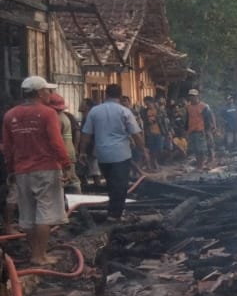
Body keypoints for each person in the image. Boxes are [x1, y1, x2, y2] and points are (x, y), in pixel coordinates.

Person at [3, 76, 71, 264]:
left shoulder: (10, 115)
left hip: (22, 170)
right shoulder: (48, 113)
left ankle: (35, 253)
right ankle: (40, 256)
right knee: (45, 212)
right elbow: (56, 143)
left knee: (28, 213)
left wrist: (11, 170)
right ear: (40, 93)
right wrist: (67, 165)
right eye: (48, 90)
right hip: (46, 168)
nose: (50, 93)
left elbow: (8, 147)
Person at [79, 84, 146, 222]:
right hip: (121, 154)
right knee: (120, 185)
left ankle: (113, 211)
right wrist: (143, 150)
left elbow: (86, 134)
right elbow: (136, 134)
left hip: (102, 155)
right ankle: (115, 214)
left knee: (110, 183)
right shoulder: (125, 111)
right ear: (120, 96)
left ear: (106, 95)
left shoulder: (95, 111)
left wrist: (82, 151)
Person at [45, 93, 81, 193]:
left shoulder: (56, 118)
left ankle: (79, 204)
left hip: (62, 152)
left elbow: (55, 139)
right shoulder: (64, 116)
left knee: (69, 180)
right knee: (72, 178)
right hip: (69, 150)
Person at [185, 89, 216, 170]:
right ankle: (199, 165)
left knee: (201, 150)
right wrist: (186, 130)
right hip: (192, 131)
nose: (192, 98)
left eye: (193, 96)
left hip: (201, 131)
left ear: (197, 96)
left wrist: (208, 131)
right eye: (190, 96)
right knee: (195, 150)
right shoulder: (188, 107)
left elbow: (208, 119)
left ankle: (201, 166)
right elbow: (187, 119)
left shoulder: (204, 106)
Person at [142, 96, 167, 171]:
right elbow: (143, 121)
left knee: (159, 149)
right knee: (151, 149)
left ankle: (154, 161)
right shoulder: (144, 111)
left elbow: (165, 121)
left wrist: (168, 131)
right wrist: (147, 122)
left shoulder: (159, 110)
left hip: (159, 132)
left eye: (148, 104)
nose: (147, 105)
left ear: (152, 103)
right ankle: (153, 163)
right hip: (149, 133)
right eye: (146, 104)